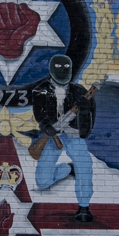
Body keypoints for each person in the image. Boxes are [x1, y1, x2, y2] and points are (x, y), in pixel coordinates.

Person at [31, 54, 95, 222]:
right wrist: (46, 126)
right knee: (42, 181)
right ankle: (67, 169)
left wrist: (84, 111)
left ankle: (84, 206)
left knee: (84, 166)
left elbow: (87, 127)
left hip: (74, 135)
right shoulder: (40, 90)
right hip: (53, 136)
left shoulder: (80, 92)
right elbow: (39, 113)